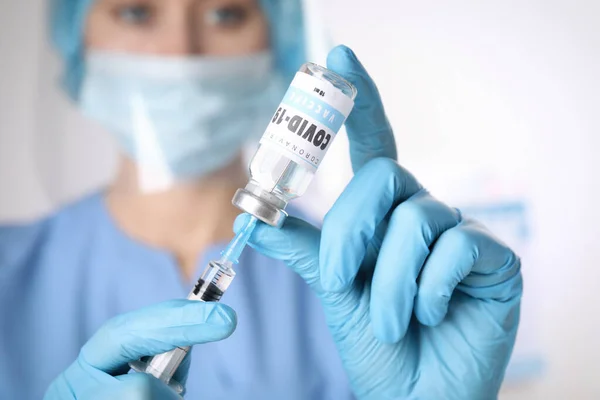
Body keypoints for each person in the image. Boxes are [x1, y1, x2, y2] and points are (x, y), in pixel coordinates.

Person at [0, 0, 523, 399]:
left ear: (281, 39)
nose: (182, 52)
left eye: (226, 13)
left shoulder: (354, 284)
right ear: (76, 36)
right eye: (136, 11)